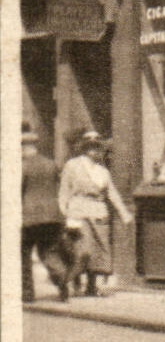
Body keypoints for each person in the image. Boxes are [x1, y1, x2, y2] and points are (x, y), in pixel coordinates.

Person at [58, 129, 134, 297]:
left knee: (99, 252)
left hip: (99, 214)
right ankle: (66, 281)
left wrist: (124, 213)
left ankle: (91, 286)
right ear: (84, 148)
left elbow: (112, 193)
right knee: (83, 251)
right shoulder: (72, 166)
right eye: (90, 147)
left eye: (97, 147)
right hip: (79, 213)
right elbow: (64, 191)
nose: (94, 151)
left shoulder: (103, 171)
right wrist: (63, 213)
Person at [20, 124, 69, 303]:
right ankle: (61, 278)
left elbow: (17, 191)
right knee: (49, 252)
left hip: (29, 218)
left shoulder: (22, 166)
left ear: (23, 147)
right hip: (53, 217)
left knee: (24, 255)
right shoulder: (51, 164)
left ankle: (27, 293)